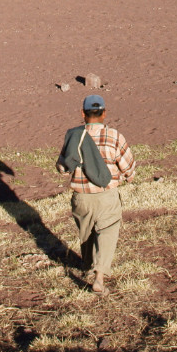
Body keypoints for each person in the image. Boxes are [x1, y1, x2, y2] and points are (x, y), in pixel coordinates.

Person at [55, 94, 136, 294]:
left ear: (82, 113)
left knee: (86, 233)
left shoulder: (74, 135)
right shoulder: (115, 136)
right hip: (106, 195)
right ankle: (99, 276)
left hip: (81, 197)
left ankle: (88, 265)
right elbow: (128, 167)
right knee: (107, 231)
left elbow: (62, 168)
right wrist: (128, 176)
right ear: (104, 113)